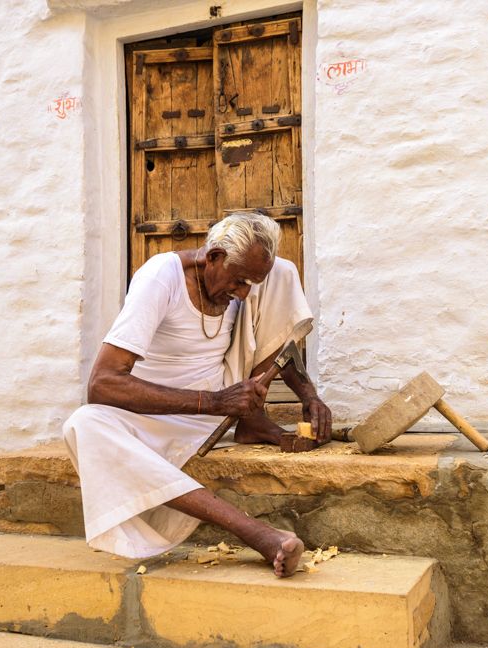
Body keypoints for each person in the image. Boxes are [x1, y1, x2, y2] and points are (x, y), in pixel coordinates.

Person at [63, 213, 331, 577]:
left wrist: (308, 395)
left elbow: (280, 338)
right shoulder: (161, 278)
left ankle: (252, 422)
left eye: (251, 282)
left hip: (218, 409)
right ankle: (258, 534)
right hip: (156, 415)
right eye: (238, 281)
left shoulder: (250, 280)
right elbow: (102, 385)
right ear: (214, 256)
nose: (244, 293)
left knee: (283, 273)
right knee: (84, 424)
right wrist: (215, 402)